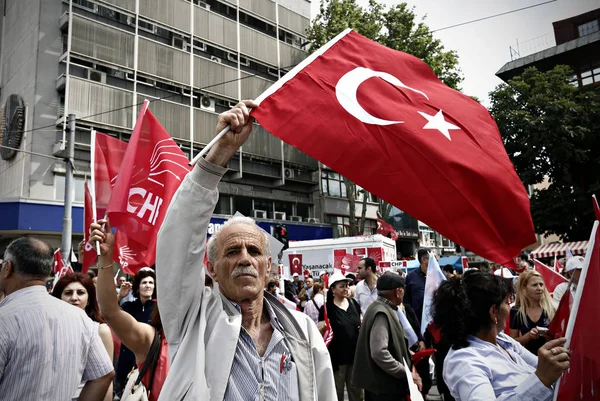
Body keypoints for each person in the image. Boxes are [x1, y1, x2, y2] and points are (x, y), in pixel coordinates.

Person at [155, 100, 336, 400]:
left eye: (253, 251)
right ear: (211, 269)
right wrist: (219, 155)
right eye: (231, 252)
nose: (244, 259)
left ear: (268, 267)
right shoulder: (192, 322)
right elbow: (178, 239)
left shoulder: (302, 331)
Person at [0, 237, 114, 401]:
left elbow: (104, 374)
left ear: (7, 268)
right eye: (69, 293)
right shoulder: (80, 317)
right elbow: (104, 374)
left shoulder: (4, 318)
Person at [433, 270, 570, 401]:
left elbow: (539, 364)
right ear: (494, 312)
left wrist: (555, 359)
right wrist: (541, 380)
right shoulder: (464, 361)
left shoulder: (503, 340)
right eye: (507, 302)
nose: (509, 308)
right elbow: (542, 374)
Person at [89, 221, 170, 401]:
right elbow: (110, 311)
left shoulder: (210, 337)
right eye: (145, 282)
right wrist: (106, 256)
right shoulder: (151, 338)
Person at [352, 272, 421, 401]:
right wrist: (406, 372)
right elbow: (379, 353)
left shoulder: (382, 308)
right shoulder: (381, 312)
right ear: (398, 291)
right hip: (384, 388)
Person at [52, 273, 114, 401]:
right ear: (58, 298)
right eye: (68, 293)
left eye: (80, 292)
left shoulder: (101, 330)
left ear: (89, 299)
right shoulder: (49, 328)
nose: (74, 298)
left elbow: (106, 377)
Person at [319, 271, 363, 401]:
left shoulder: (354, 304)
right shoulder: (327, 308)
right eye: (342, 286)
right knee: (336, 394)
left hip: (354, 357)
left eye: (347, 286)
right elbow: (323, 330)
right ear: (333, 289)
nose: (346, 289)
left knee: (357, 394)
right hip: (336, 360)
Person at [113, 267, 157, 391]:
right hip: (127, 360)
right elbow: (108, 315)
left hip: (150, 361)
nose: (148, 286)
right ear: (138, 287)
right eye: (144, 282)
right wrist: (119, 296)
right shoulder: (128, 306)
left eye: (151, 283)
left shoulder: (159, 309)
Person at [510, 270, 555, 356]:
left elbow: (562, 337)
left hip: (551, 358)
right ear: (524, 288)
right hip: (528, 360)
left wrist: (550, 336)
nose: (539, 288)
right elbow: (512, 342)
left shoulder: (552, 308)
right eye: (534, 285)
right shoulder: (516, 311)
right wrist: (528, 336)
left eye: (541, 284)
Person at [404, 249, 429, 325]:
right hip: (417, 322)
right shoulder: (411, 277)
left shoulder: (438, 276)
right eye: (433, 258)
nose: (437, 261)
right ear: (424, 260)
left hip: (435, 322)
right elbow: (406, 300)